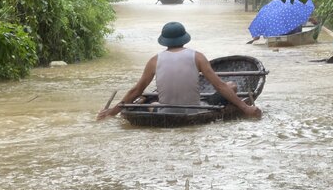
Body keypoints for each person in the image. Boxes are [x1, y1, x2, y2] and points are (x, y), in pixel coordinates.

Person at [96, 21, 262, 120]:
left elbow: (136, 91)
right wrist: (246, 108)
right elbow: (220, 86)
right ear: (184, 39)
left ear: (164, 41)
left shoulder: (154, 60)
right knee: (231, 85)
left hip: (165, 110)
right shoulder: (198, 57)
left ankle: (157, 108)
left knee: (151, 101)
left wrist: (112, 112)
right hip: (197, 108)